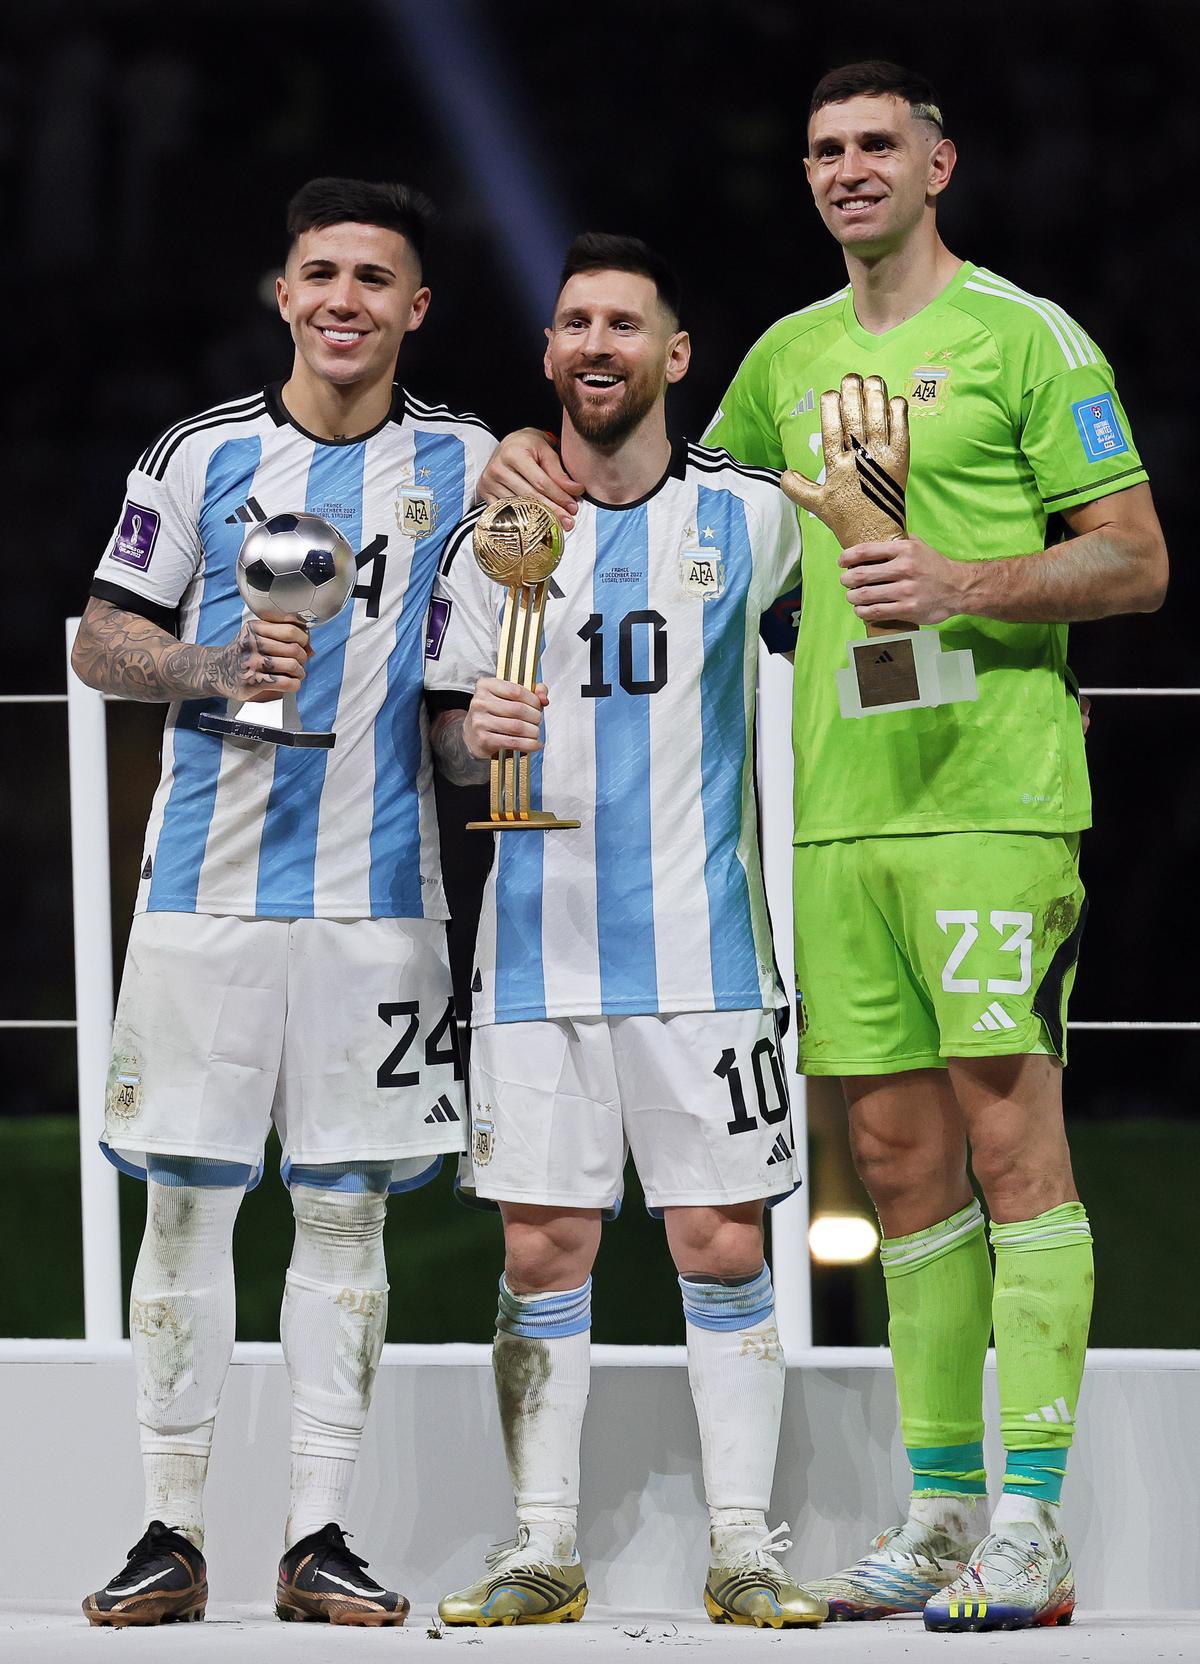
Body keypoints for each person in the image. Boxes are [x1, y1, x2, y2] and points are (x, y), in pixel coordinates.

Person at [481, 61, 1168, 1634]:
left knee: (1014, 1152)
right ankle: (937, 1510)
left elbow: (1135, 563)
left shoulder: (1026, 334)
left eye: (877, 146)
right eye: (823, 151)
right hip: (835, 817)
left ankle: (1036, 1522)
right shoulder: (784, 358)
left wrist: (964, 582)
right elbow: (658, 490)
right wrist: (522, 453)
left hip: (991, 803)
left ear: (941, 162)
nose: (849, 169)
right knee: (908, 1171)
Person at [72, 176, 495, 1627]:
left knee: (344, 1215)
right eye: (321, 273)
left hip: (383, 897)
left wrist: (481, 742)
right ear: (283, 291)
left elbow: (453, 696)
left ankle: (318, 1533)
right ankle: (168, 1533)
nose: (343, 301)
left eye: (375, 279)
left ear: (414, 309)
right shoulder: (196, 458)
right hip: (203, 891)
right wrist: (210, 669)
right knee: (184, 1207)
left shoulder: (469, 464)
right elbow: (99, 639)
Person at [424, 233, 824, 1630]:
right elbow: (451, 745)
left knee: (722, 1244)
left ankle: (743, 1547)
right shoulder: (501, 531)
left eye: (625, 324)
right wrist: (475, 734)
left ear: (675, 356)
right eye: (573, 322)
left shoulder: (752, 514)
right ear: (548, 355)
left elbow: (888, 574)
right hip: (534, 952)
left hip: (709, 956)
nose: (597, 344)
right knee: (542, 1253)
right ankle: (543, 1549)